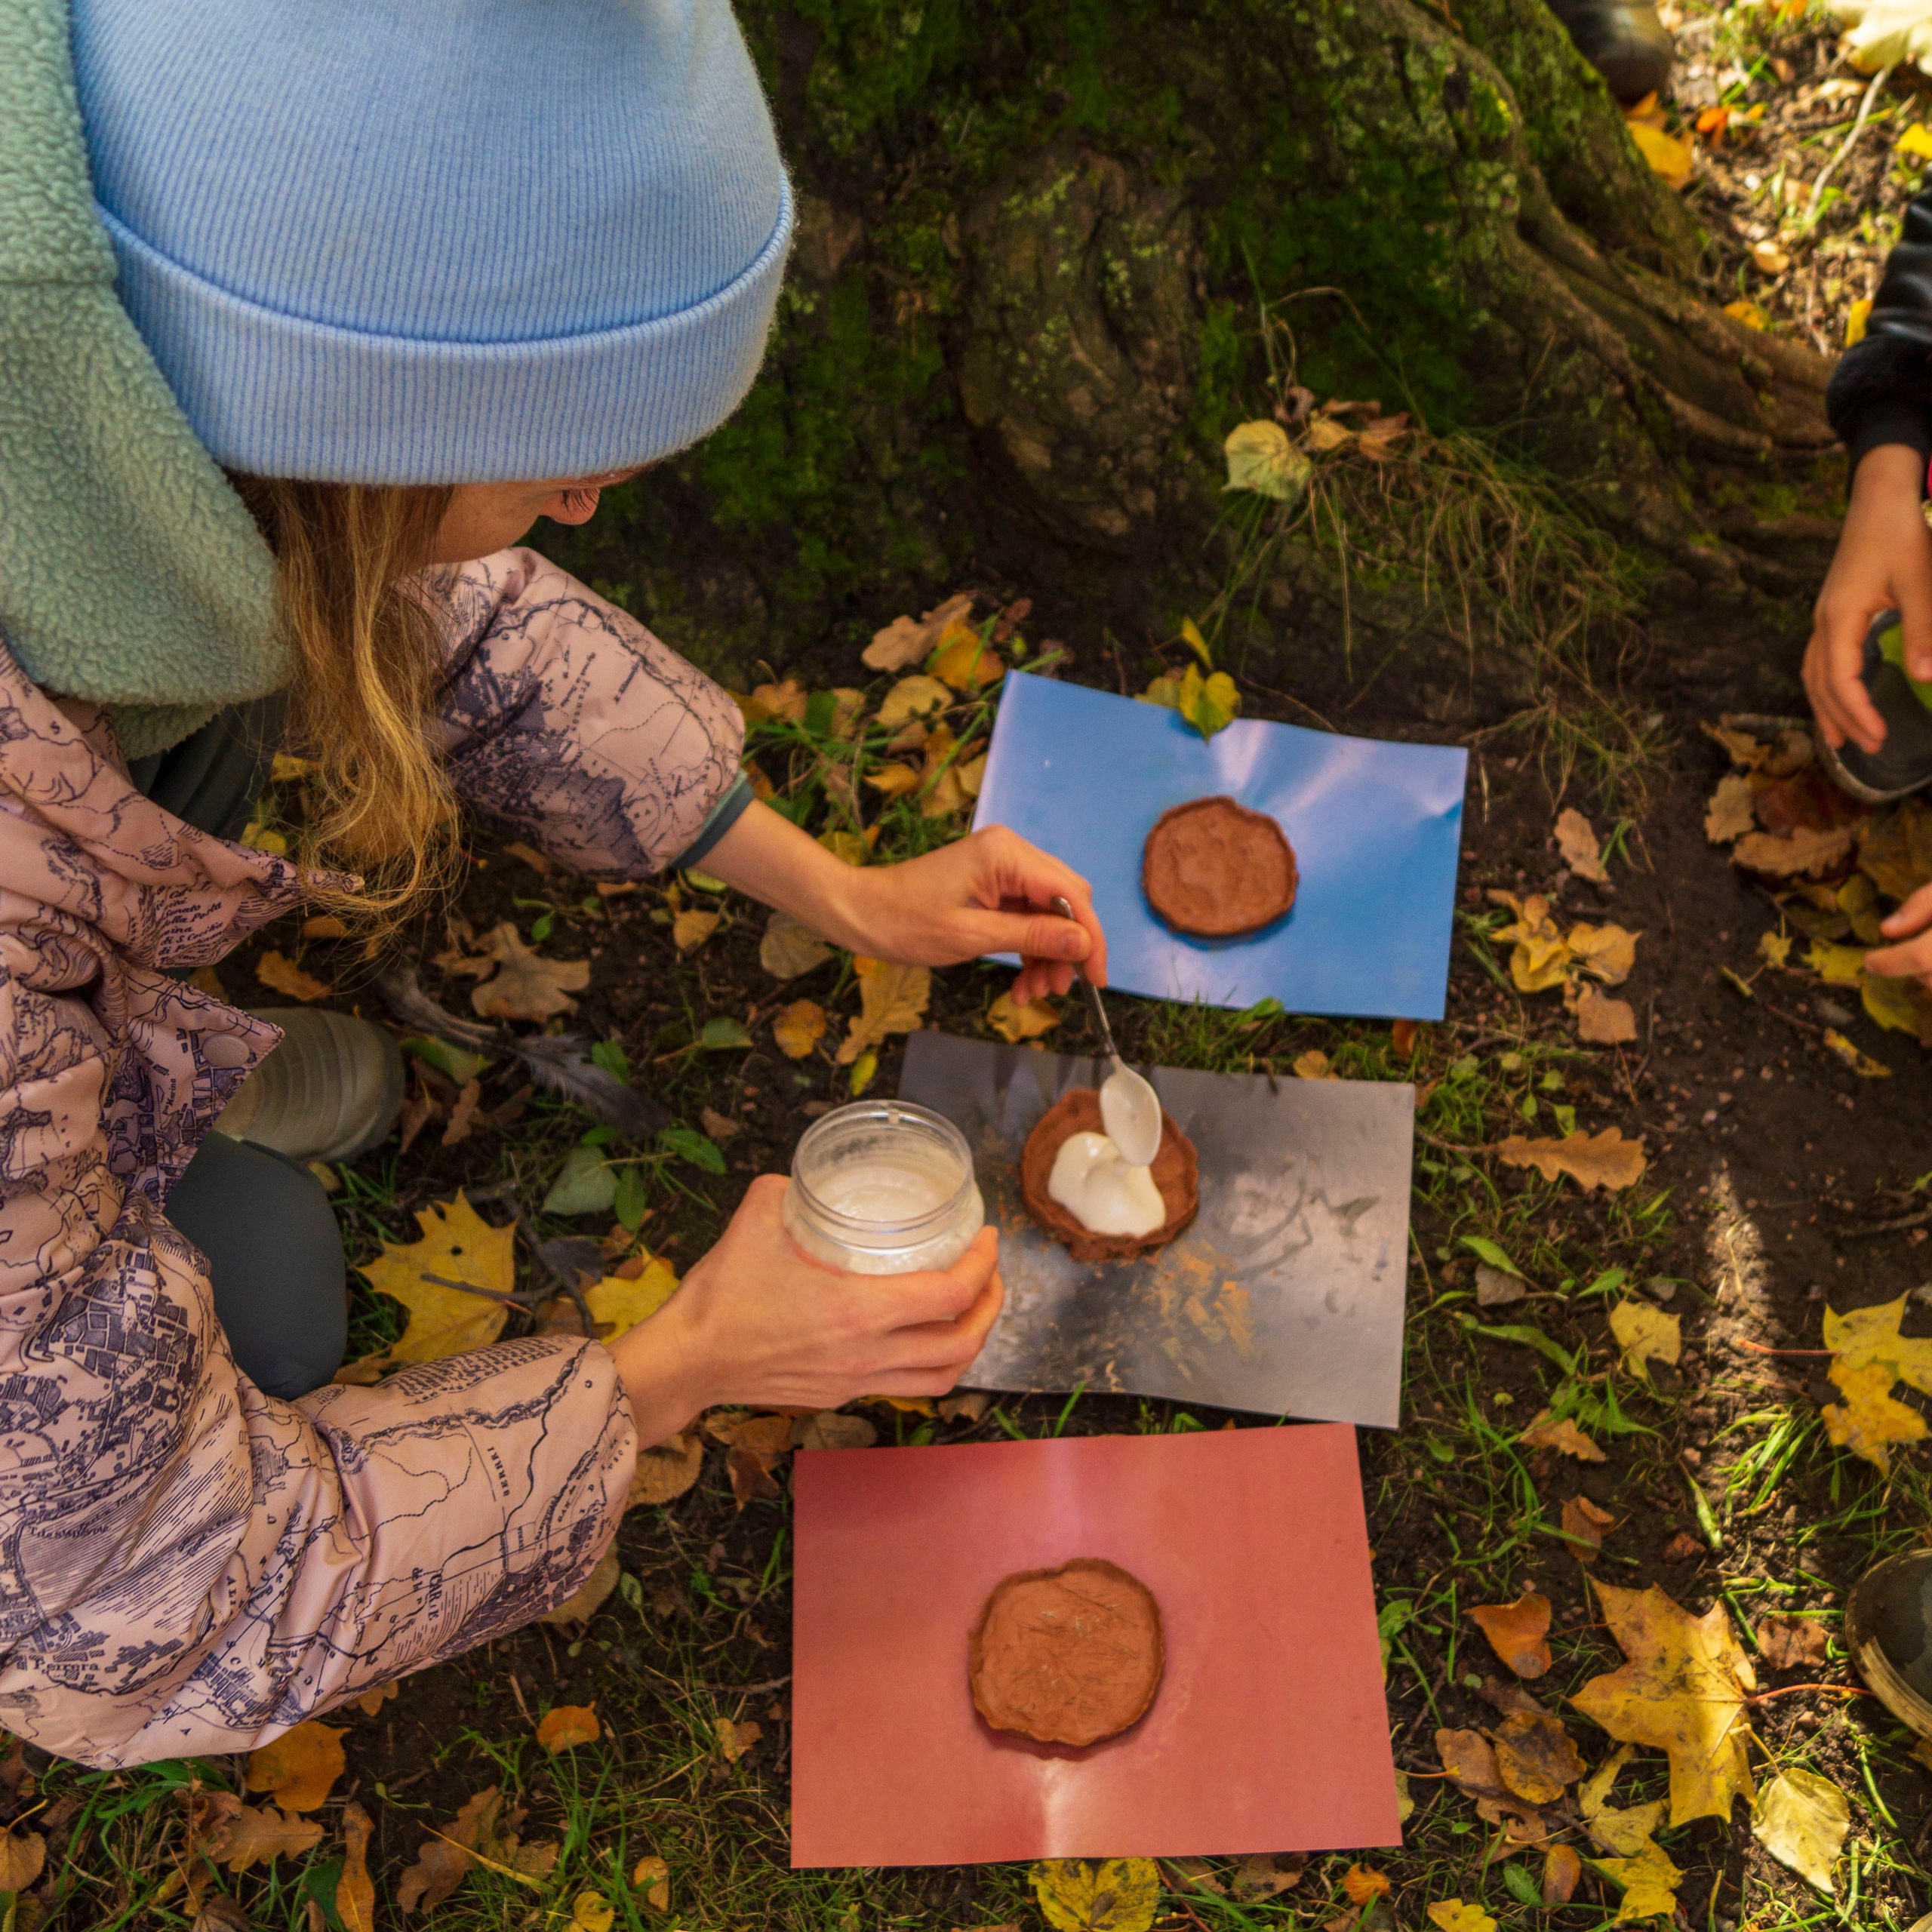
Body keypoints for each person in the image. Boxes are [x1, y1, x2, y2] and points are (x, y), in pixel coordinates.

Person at [0, 0, 1106, 1766]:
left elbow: (446, 620)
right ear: (306, 411)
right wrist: (675, 1364)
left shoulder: (130, 423)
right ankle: (104, 1112)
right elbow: (142, 1589)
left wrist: (846, 896)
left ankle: (141, 1079)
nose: (589, 499)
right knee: (273, 1288)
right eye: (546, 448)